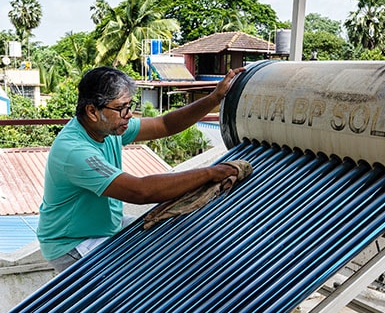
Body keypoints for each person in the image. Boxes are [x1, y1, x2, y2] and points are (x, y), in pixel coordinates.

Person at [37, 65, 245, 272]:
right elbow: (140, 190)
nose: (128, 114)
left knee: (176, 235)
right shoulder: (75, 151)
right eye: (121, 108)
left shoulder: (106, 128)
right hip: (72, 243)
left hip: (108, 225)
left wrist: (214, 99)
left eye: (130, 105)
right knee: (139, 282)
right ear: (92, 111)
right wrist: (210, 172)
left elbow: (164, 124)